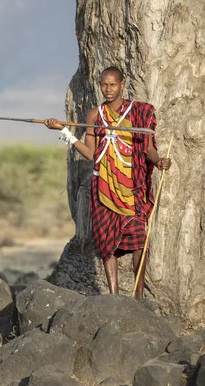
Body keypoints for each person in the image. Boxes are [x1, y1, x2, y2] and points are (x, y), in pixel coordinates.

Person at [44, 66, 171, 299]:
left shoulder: (138, 112)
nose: (108, 89)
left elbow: (148, 148)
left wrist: (159, 161)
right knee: (106, 243)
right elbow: (91, 154)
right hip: (103, 187)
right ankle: (113, 298)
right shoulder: (95, 115)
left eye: (113, 85)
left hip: (131, 187)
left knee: (139, 241)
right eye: (104, 85)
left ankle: (138, 295)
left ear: (122, 84)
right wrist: (64, 131)